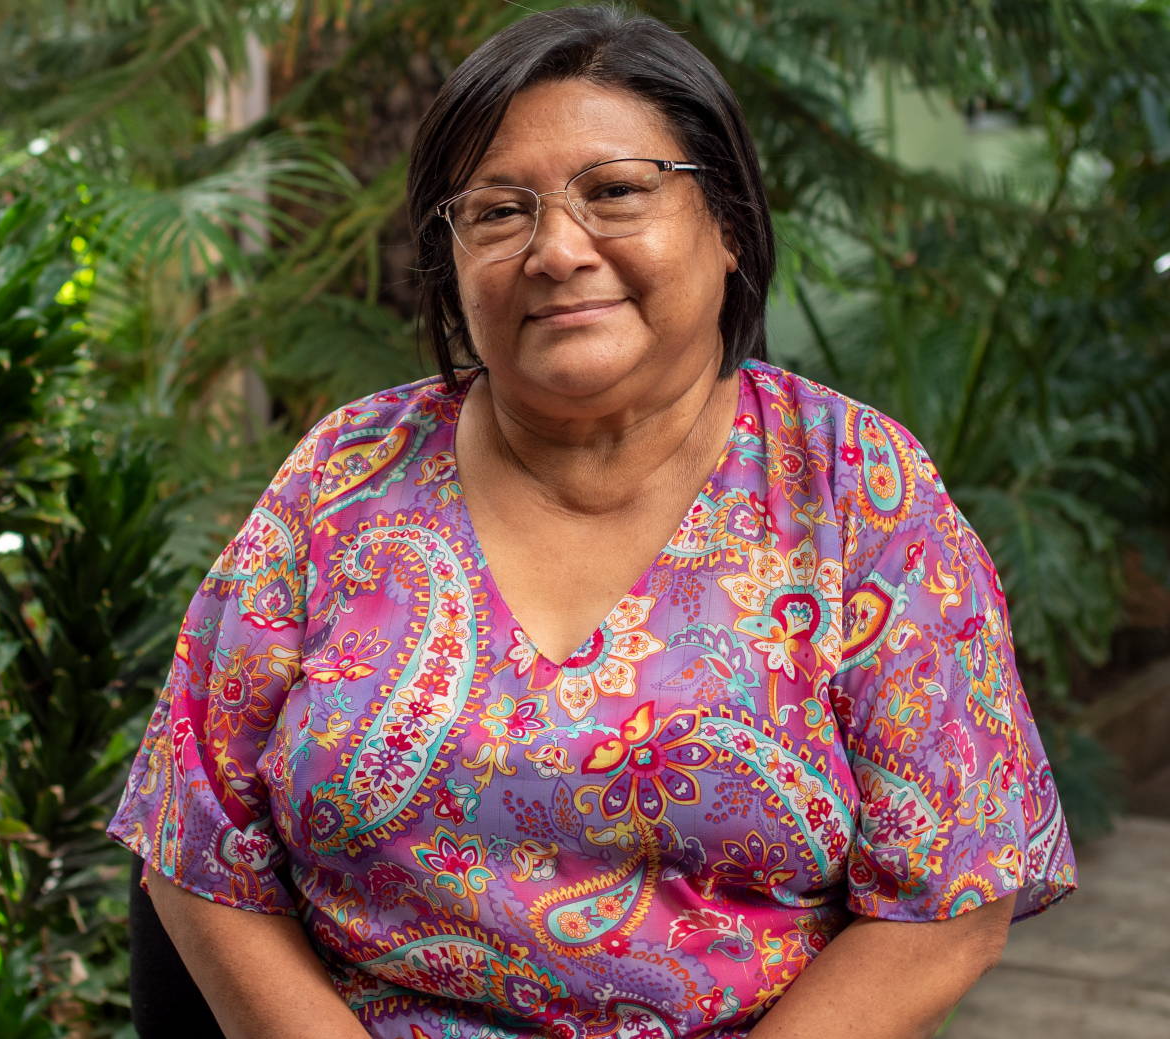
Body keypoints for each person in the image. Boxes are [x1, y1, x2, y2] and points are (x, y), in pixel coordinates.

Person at [110, 7, 1078, 1037]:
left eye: (614, 192)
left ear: (731, 228)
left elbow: (945, 903)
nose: (555, 250)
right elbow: (195, 837)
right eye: (496, 213)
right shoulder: (345, 475)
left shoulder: (856, 492)